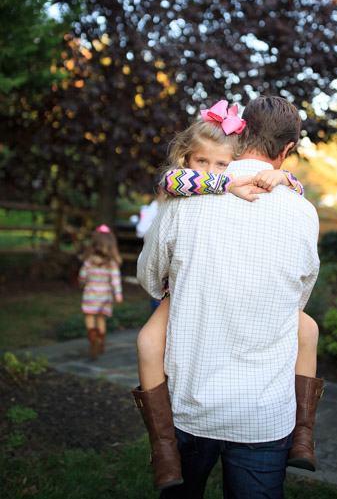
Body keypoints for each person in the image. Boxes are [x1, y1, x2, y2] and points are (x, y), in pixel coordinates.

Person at [135, 97, 322, 498]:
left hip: (191, 402)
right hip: (264, 412)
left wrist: (182, 289)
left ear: (242, 133)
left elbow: (149, 279)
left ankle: (163, 450)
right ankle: (304, 436)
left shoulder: (187, 198)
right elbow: (299, 300)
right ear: (287, 151)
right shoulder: (303, 213)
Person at [78, 225, 123, 359]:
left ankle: (94, 340)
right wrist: (118, 295)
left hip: (90, 295)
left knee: (90, 317)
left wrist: (81, 282)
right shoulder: (111, 263)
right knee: (101, 318)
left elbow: (82, 276)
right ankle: (101, 343)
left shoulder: (89, 261)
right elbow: (115, 280)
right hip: (105, 296)